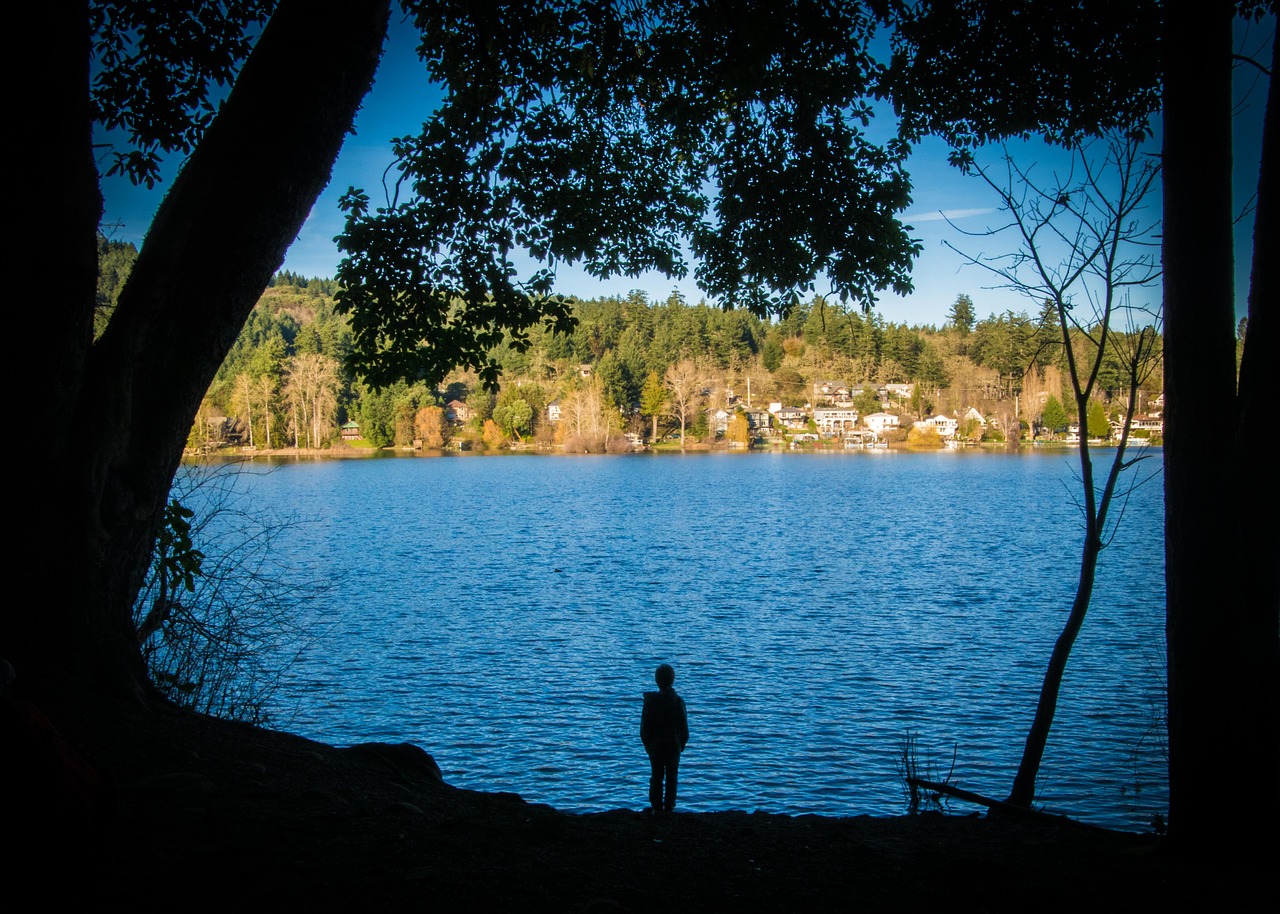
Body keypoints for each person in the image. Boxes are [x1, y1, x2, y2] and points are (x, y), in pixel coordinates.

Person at [640, 663, 688, 814]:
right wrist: (682, 743)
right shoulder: (677, 701)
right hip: (673, 744)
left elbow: (645, 727)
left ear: (656, 681)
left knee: (656, 776)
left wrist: (647, 743)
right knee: (672, 776)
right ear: (672, 680)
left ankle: (656, 807)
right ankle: (669, 806)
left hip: (655, 745)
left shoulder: (650, 702)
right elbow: (684, 727)